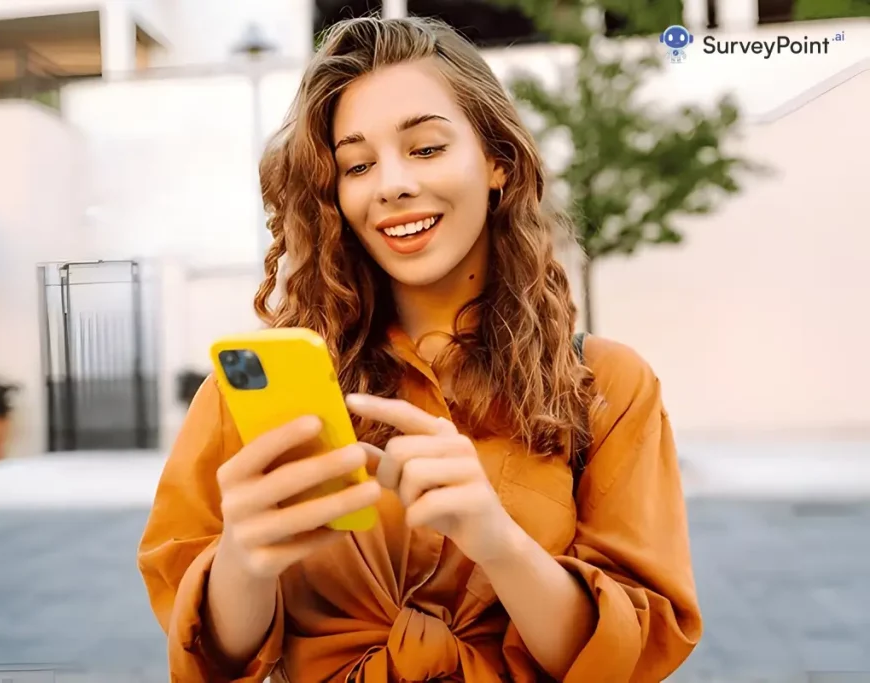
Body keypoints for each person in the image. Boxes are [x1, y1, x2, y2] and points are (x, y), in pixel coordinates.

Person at [138, 15, 702, 683]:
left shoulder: (606, 384)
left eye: (427, 148)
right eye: (357, 164)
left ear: (498, 161)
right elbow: (208, 658)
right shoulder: (256, 390)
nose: (392, 183)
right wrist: (244, 558)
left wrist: (499, 542)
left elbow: (630, 658)